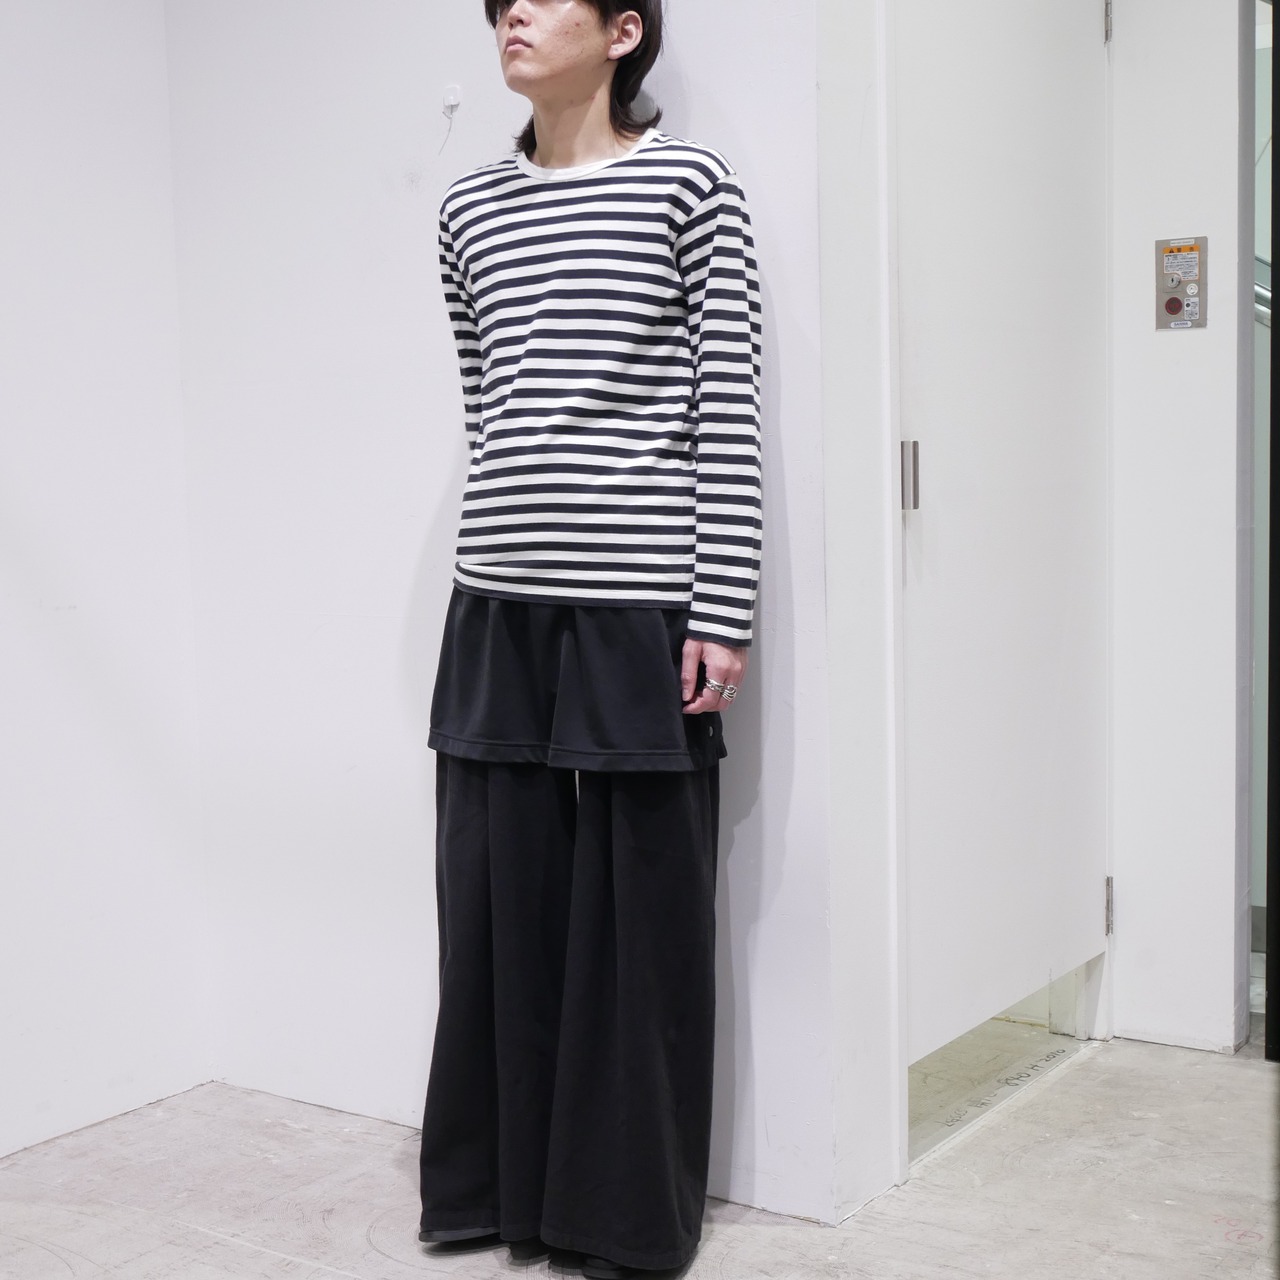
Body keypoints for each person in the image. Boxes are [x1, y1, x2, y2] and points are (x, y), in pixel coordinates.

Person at [416, 1, 762, 1275]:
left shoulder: (689, 184)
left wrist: (722, 607)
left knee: (642, 915)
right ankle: (502, 1192)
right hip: (496, 597)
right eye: (499, 2)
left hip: (638, 602)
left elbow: (726, 401)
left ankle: (618, 1215)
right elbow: (485, 397)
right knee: (494, 905)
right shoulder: (467, 208)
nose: (511, 14)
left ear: (621, 32)